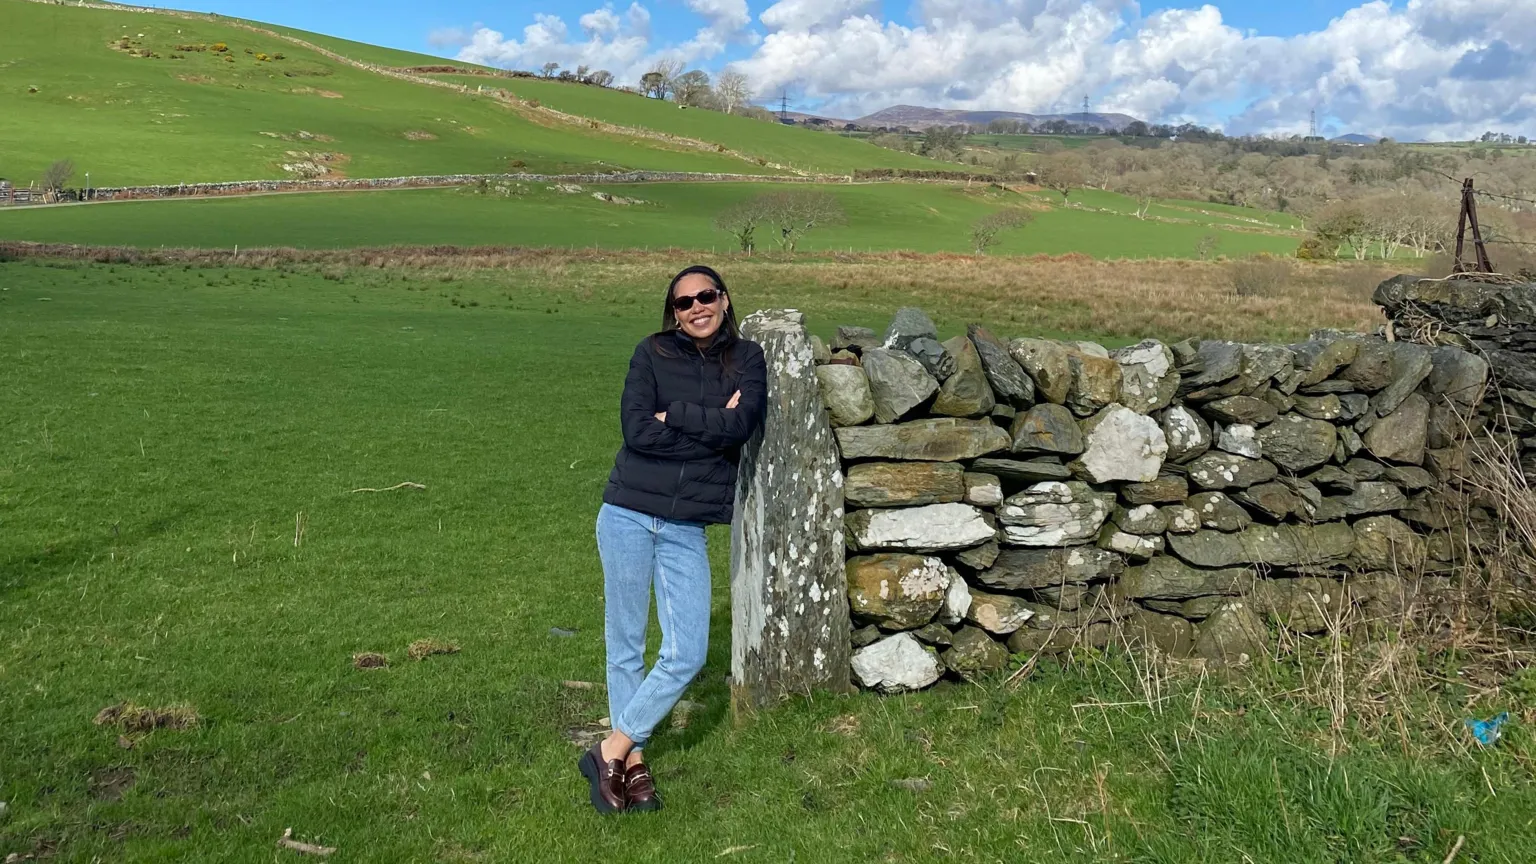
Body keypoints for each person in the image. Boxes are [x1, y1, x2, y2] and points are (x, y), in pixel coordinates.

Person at [579, 265, 768, 814]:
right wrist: (711, 430)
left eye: (706, 296)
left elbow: (743, 426)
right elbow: (637, 431)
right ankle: (633, 764)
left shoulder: (747, 359)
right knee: (627, 643)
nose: (696, 308)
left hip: (686, 525)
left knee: (686, 651)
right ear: (674, 311)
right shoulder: (652, 352)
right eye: (684, 303)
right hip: (628, 512)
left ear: (725, 300)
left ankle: (610, 748)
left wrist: (678, 416)